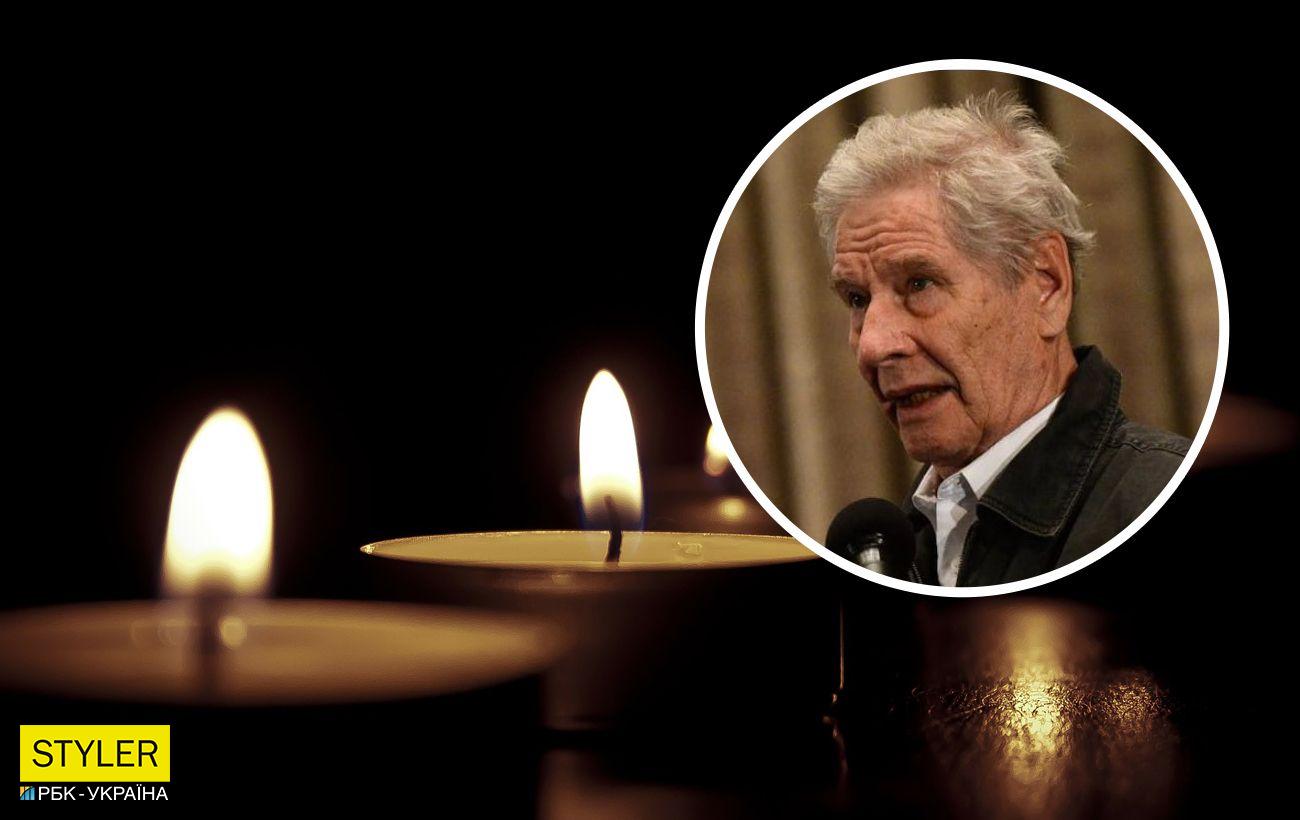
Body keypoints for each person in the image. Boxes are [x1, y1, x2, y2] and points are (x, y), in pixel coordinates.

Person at [813, 93, 1189, 586]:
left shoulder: (1156, 501)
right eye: (858, 299)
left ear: (1046, 283)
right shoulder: (892, 548)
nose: (874, 346)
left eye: (920, 284)